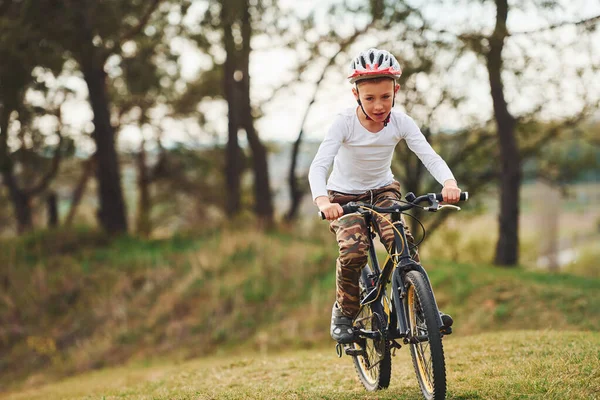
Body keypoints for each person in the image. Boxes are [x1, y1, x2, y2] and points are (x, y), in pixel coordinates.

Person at [308, 48, 462, 344]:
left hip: (383, 191)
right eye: (369, 98)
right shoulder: (344, 123)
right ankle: (344, 311)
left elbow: (428, 155)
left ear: (396, 91)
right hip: (342, 198)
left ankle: (421, 311)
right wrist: (323, 201)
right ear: (356, 95)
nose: (378, 105)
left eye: (385, 97)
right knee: (354, 251)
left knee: (401, 242)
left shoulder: (402, 122)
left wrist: (449, 182)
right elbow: (319, 165)